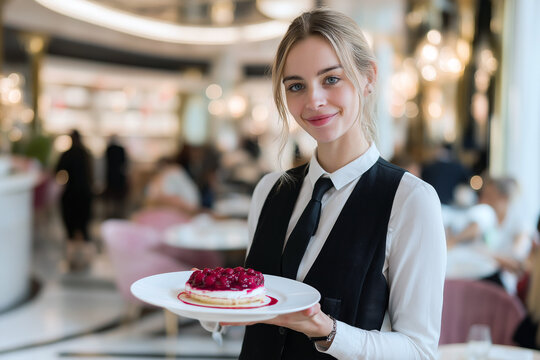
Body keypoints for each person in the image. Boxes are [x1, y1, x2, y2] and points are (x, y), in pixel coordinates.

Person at [221, 9, 447, 359]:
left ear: (369, 77)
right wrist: (214, 301)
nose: (313, 101)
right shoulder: (269, 190)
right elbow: (257, 308)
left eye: (331, 79)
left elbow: (419, 350)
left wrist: (328, 332)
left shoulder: (410, 200)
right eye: (296, 86)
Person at [55, 129, 94, 270]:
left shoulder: (67, 154)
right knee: (84, 228)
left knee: (70, 229)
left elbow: (57, 170)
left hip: (71, 195)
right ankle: (86, 261)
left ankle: (72, 262)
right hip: (85, 194)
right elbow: (92, 175)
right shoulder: (87, 154)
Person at [104, 134, 128, 218]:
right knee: (118, 199)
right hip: (118, 177)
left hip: (111, 177)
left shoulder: (109, 150)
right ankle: (117, 214)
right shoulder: (120, 150)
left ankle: (112, 214)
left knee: (112, 198)